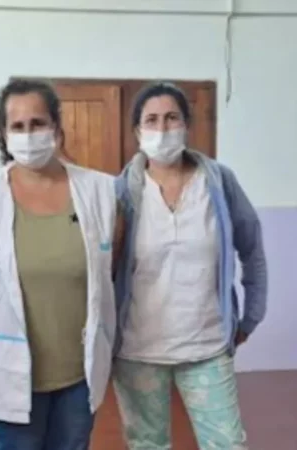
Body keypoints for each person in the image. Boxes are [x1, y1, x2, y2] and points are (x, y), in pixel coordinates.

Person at [0, 78, 121, 450]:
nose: (28, 134)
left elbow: (110, 267)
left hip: (78, 377)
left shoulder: (101, 192)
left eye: (38, 123)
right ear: (3, 134)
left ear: (56, 126)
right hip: (6, 371)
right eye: (18, 126)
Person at [112, 81, 267, 449]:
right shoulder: (122, 191)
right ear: (137, 131)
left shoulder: (219, 182)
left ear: (187, 125)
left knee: (228, 443)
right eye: (151, 120)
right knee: (147, 444)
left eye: (172, 118)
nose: (162, 128)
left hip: (207, 348)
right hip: (137, 351)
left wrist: (250, 317)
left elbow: (252, 251)